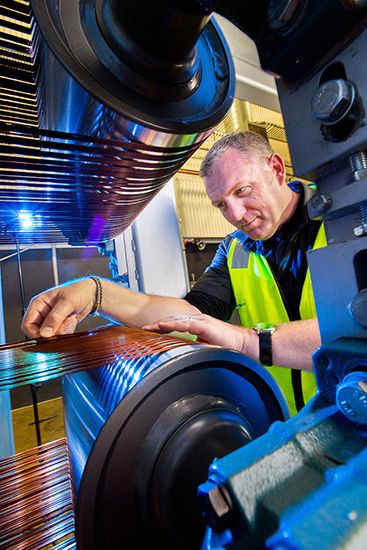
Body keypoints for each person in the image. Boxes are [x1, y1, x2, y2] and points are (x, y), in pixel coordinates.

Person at [21, 130, 325, 416]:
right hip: (287, 421)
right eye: (221, 204)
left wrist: (246, 341)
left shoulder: (342, 217)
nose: (235, 215)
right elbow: (188, 315)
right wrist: (95, 292)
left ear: (276, 169)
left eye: (242, 191)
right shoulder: (237, 249)